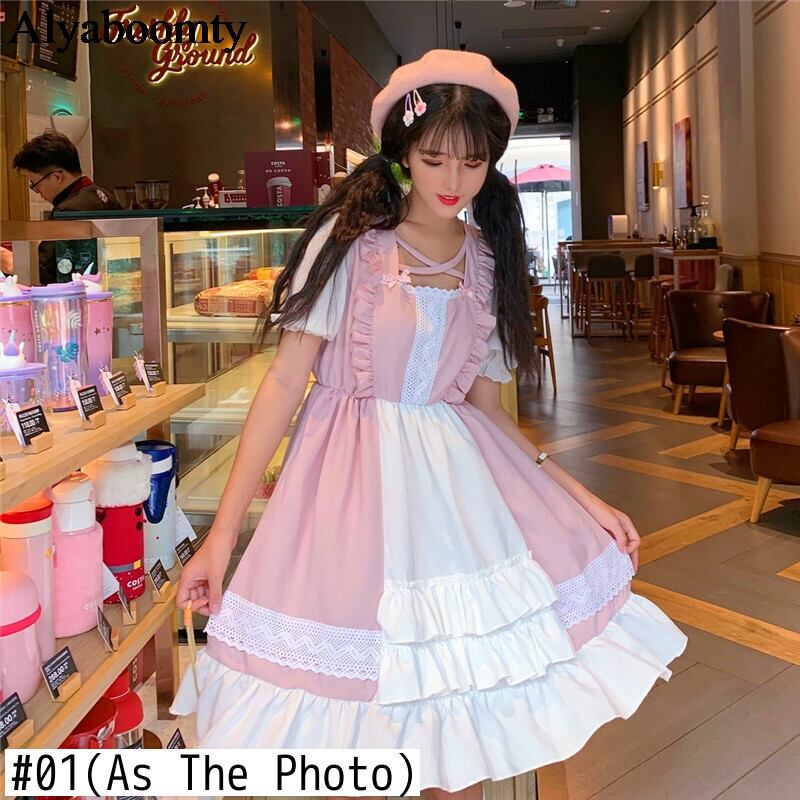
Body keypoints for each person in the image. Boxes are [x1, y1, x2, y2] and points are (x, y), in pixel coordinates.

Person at [172, 50, 687, 798]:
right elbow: (284, 383)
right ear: (403, 152)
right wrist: (221, 537)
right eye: (435, 158)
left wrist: (582, 498)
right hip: (345, 502)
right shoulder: (349, 242)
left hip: (457, 506)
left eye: (472, 163)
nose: (453, 180)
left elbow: (484, 410)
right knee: (348, 723)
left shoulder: (487, 259)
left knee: (456, 729)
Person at [12, 130, 121, 284]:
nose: (36, 191)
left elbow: (45, 271)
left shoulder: (68, 211)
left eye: (35, 183)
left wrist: (8, 260)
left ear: (57, 177)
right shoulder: (104, 195)